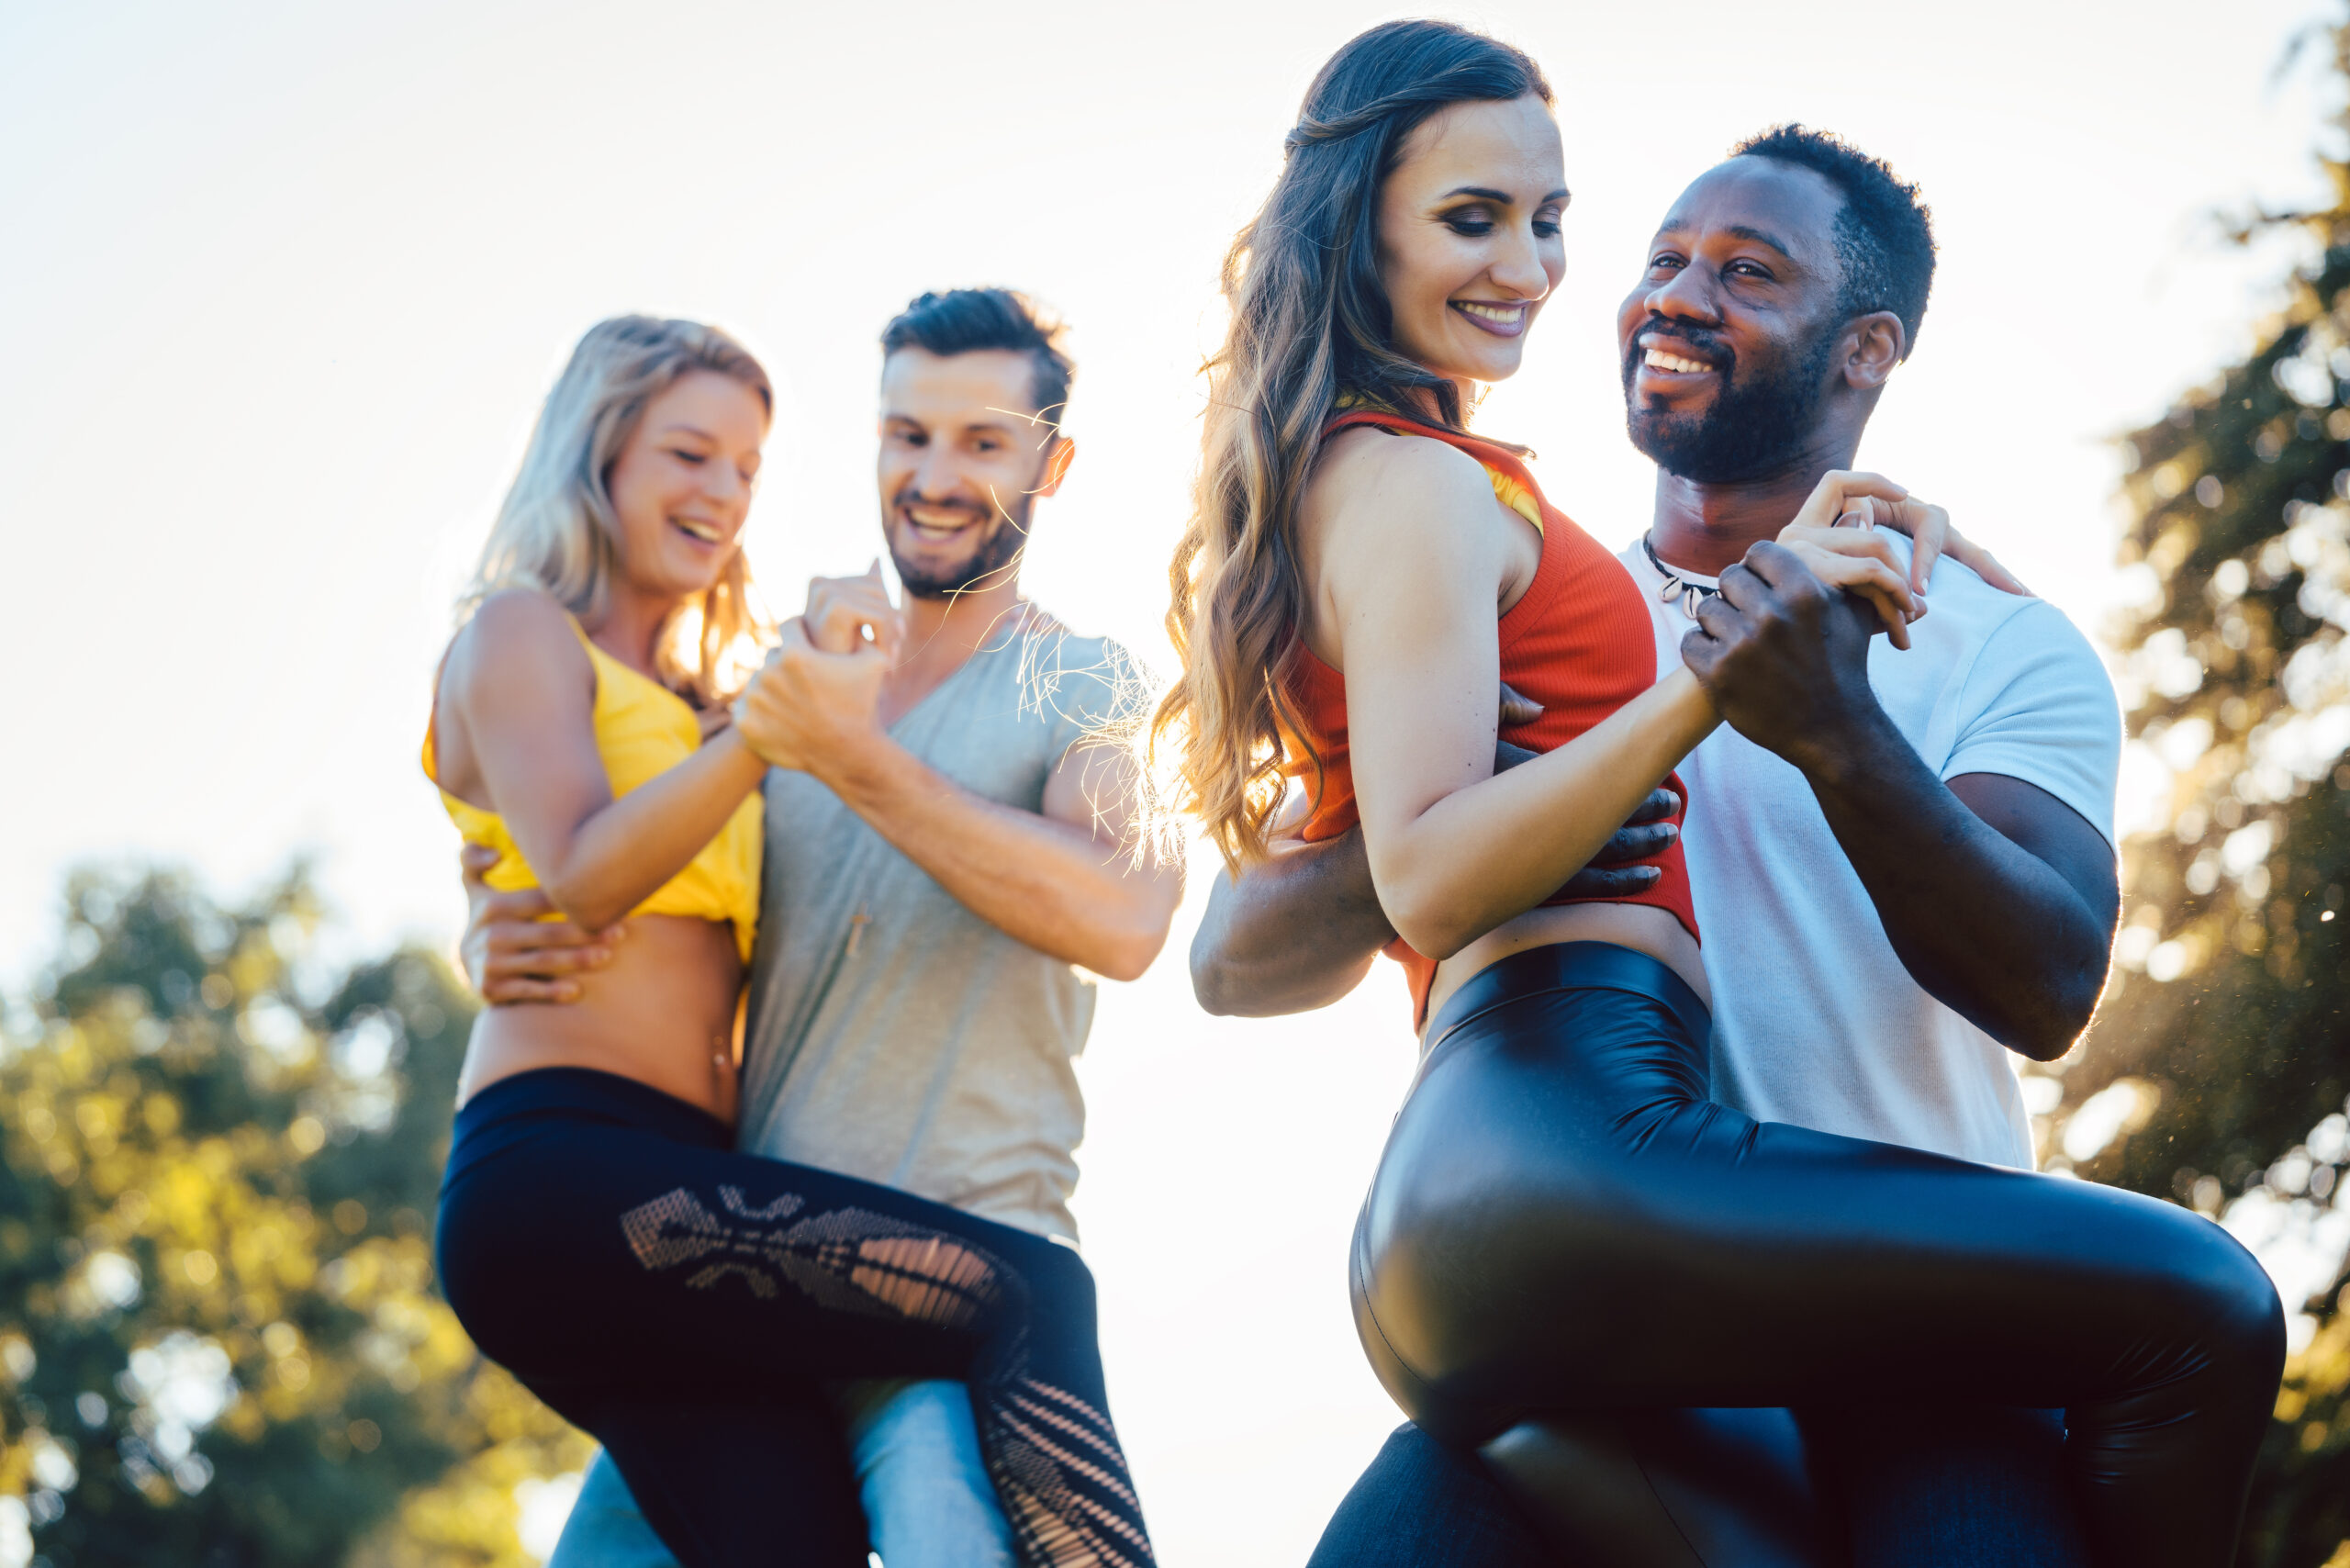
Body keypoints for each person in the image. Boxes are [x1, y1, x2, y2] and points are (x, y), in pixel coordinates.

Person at [1155, 21, 2286, 1568]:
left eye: (1749, 272)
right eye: (1665, 253)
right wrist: (1511, 791)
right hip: (1615, 1321)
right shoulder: (1538, 600)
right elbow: (1231, 959)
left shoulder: (1991, 639)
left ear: (1867, 348)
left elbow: (2045, 983)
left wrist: (1832, 724)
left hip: (1926, 1355)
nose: (1674, 293)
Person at [425, 313, 1162, 1568]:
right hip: (667, 1212)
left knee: (794, 1539)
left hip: (806, 1241)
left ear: (1051, 466)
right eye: (907, 433)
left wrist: (823, 749)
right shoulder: (771, 687)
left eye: (984, 441)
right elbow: (574, 848)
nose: (935, 474)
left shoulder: (1086, 683)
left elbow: (1131, 915)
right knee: (1023, 1307)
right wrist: (488, 928)